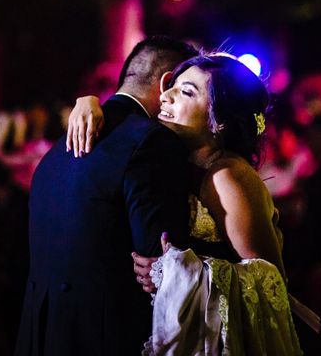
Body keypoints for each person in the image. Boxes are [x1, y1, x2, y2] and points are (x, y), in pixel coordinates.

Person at [69, 53, 317, 354]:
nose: (166, 96)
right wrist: (88, 102)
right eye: (171, 85)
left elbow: (270, 285)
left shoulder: (227, 175)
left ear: (219, 122)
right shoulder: (180, 163)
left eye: (186, 92)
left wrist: (177, 273)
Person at [13, 36, 198, 356]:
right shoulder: (150, 142)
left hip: (40, 336)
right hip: (106, 338)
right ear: (168, 83)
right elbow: (162, 264)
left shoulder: (56, 150)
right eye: (186, 89)